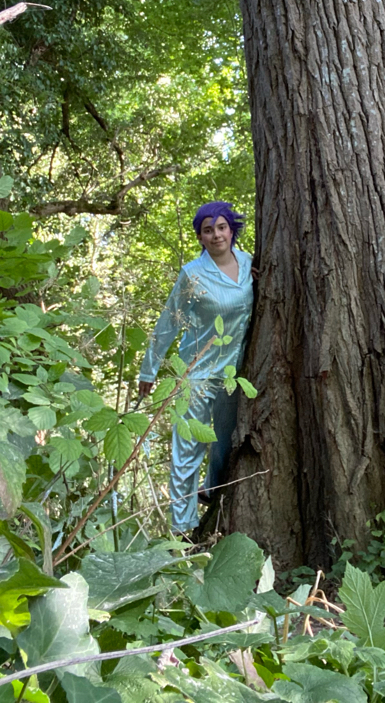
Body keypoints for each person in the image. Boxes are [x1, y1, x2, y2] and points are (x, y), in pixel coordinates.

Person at [138, 202, 254, 536]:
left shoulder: (249, 264)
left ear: (232, 229)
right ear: (200, 238)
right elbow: (169, 322)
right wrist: (150, 369)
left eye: (221, 227)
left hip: (234, 374)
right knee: (187, 449)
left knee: (227, 441)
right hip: (196, 375)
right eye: (208, 229)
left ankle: (213, 491)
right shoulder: (192, 274)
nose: (216, 234)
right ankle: (184, 530)